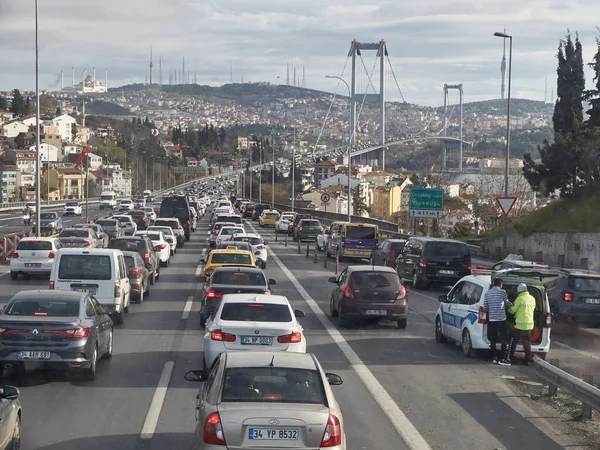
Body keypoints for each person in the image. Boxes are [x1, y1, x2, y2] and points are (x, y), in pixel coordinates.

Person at [506, 283, 536, 365]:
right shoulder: (532, 298)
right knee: (527, 342)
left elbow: (512, 310)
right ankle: (527, 360)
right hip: (529, 325)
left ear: (518, 292)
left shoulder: (520, 298)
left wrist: (508, 308)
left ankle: (509, 358)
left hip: (519, 325)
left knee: (513, 341)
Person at [483, 277, 511, 365]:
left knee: (493, 339)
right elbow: (507, 303)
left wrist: (492, 310)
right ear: (500, 284)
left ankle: (494, 358)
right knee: (504, 339)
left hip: (492, 319)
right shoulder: (503, 292)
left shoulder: (487, 293)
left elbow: (485, 307)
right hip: (501, 319)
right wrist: (511, 305)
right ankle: (502, 359)